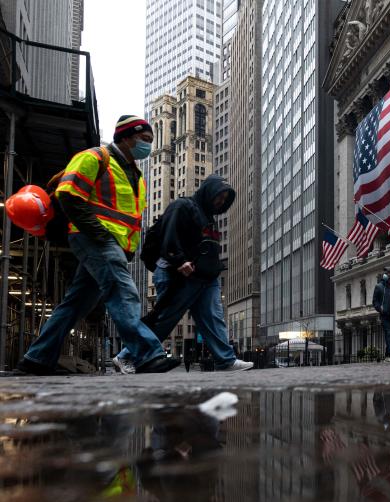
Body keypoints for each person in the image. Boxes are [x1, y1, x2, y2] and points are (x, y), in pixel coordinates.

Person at [17, 116, 180, 376]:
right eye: (144, 139)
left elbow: (128, 217)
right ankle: (147, 354)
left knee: (75, 304)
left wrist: (124, 247)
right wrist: (100, 234)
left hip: (111, 243)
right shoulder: (94, 157)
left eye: (151, 140)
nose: (148, 145)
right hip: (94, 238)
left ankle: (36, 359)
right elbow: (68, 194)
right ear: (126, 137)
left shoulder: (135, 175)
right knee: (122, 290)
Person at [112, 175, 253, 373]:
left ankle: (226, 360)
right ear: (208, 191)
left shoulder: (209, 218)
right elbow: (170, 235)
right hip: (179, 275)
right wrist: (180, 261)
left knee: (213, 318)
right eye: (218, 196)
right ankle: (124, 356)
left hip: (206, 278)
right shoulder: (182, 206)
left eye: (224, 199)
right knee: (165, 320)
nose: (221, 202)